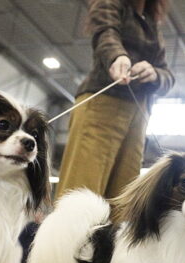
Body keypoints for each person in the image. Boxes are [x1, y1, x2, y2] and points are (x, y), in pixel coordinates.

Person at [56, 0, 175, 200]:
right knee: (81, 190)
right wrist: (117, 57)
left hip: (138, 114)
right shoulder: (108, 3)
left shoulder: (152, 23)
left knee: (124, 195)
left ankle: (116, 232)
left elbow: (168, 75)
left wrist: (155, 74)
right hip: (102, 104)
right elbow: (105, 33)